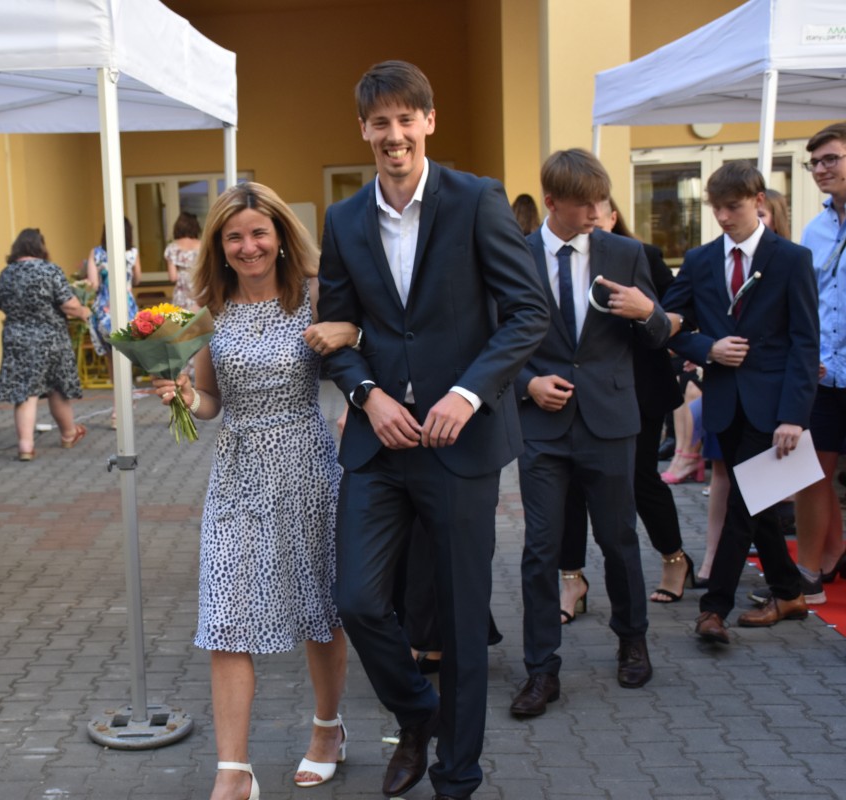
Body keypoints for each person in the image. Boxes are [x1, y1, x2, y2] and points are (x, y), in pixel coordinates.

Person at [317, 60, 550, 800]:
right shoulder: (344, 219)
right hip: (380, 444)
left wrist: (469, 394)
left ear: (429, 121)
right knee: (357, 599)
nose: (394, 135)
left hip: (460, 444)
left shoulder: (477, 200)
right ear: (363, 130)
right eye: (379, 122)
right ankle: (419, 715)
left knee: (458, 620)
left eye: (405, 119)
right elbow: (336, 330)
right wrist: (367, 396)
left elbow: (529, 313)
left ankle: (458, 778)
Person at [153, 183, 352, 800]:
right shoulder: (209, 307)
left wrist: (351, 338)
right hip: (236, 476)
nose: (248, 247)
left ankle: (327, 731)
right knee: (224, 615)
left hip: (306, 469)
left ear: (280, 236)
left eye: (258, 233)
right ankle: (233, 772)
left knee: (320, 610)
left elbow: (358, 357)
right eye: (234, 237)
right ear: (219, 245)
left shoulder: (314, 294)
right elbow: (212, 401)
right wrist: (187, 397)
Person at [515, 150, 670, 718]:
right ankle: (541, 669)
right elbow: (494, 339)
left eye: (600, 202)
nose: (596, 213)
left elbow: (660, 337)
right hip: (542, 426)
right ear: (551, 203)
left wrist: (646, 311)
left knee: (618, 538)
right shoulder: (515, 255)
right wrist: (528, 384)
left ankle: (632, 641)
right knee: (540, 549)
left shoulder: (626, 253)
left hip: (609, 421)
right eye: (584, 204)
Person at [662, 160, 819, 644]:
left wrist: (793, 416)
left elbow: (805, 343)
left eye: (732, 207)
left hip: (773, 408)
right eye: (716, 208)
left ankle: (714, 608)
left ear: (758, 201)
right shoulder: (699, 260)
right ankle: (788, 593)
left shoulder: (791, 258)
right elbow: (670, 323)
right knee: (759, 503)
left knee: (743, 504)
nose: (723, 217)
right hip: (724, 403)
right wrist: (707, 348)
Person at [556, 196, 693, 617]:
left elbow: (679, 312)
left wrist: (649, 312)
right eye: (582, 210)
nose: (590, 220)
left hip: (639, 389)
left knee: (640, 479)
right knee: (570, 486)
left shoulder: (642, 255)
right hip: (576, 391)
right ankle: (571, 579)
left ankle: (674, 558)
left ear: (614, 217)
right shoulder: (557, 257)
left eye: (598, 212)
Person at [790, 122, 846, 604]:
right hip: (824, 375)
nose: (820, 169)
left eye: (831, 159)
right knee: (811, 474)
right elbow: (809, 301)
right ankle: (809, 572)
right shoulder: (815, 228)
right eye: (815, 163)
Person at [0, 228, 92, 460]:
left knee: (25, 391)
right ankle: (68, 434)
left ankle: (26, 446)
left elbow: (0, 303)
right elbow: (68, 304)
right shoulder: (49, 270)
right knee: (57, 387)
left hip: (16, 338)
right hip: (49, 338)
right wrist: (84, 312)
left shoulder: (6, 273)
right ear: (40, 247)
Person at [87, 217, 141, 425]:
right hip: (127, 308)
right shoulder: (132, 253)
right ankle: (124, 401)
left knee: (112, 359)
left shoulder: (97, 253)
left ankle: (120, 405)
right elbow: (138, 279)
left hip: (104, 311)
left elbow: (93, 284)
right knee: (125, 356)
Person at [165, 211, 203, 311]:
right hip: (200, 291)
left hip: (182, 294)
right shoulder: (203, 246)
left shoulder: (172, 248)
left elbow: (173, 277)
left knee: (181, 319)